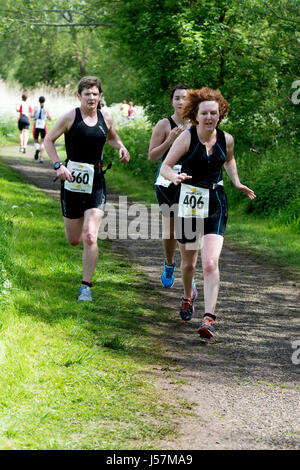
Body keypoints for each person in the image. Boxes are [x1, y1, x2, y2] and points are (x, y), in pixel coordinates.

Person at [160, 87, 256, 338]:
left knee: (211, 263)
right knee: (189, 264)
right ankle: (187, 295)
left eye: (214, 112)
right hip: (189, 202)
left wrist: (236, 181)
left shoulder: (227, 139)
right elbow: (165, 167)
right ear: (196, 115)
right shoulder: (187, 138)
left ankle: (209, 318)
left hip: (215, 203)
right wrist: (175, 177)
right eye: (205, 113)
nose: (210, 117)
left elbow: (229, 159)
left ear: (220, 114)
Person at [44, 76, 130, 302]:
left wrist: (121, 147)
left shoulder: (106, 117)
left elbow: (112, 137)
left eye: (95, 94)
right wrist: (58, 165)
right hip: (71, 181)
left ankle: (86, 287)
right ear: (79, 96)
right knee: (74, 239)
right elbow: (48, 140)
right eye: (87, 94)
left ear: (100, 96)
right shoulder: (70, 117)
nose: (91, 98)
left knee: (90, 235)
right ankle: (84, 279)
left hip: (96, 182)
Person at [148, 84, 189, 289]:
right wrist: (170, 140)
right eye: (177, 98)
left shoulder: (199, 123)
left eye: (185, 98)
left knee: (189, 228)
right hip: (166, 181)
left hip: (190, 182)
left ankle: (189, 270)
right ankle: (170, 263)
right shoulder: (164, 124)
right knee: (170, 231)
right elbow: (152, 156)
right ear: (171, 101)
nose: (181, 102)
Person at [32, 96, 52, 163]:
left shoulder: (35, 107)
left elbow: (32, 115)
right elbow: (50, 118)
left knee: (36, 140)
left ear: (39, 101)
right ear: (44, 101)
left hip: (36, 124)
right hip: (43, 125)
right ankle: (41, 158)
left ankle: (37, 149)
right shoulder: (46, 108)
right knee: (42, 141)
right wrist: (46, 116)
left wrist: (33, 115)